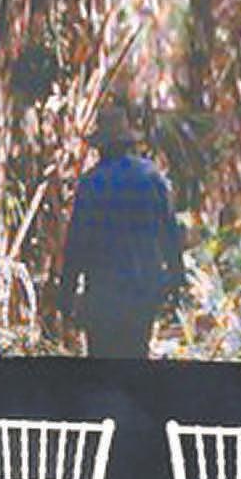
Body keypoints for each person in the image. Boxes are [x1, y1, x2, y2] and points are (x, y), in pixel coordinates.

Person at [58, 102, 184, 360]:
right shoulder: (151, 177)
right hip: (143, 294)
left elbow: (76, 245)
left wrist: (66, 295)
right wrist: (175, 279)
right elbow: (170, 235)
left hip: (103, 299)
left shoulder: (91, 184)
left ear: (101, 147)